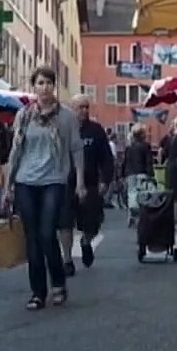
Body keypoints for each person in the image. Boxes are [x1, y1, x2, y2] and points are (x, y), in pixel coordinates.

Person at [5, 66, 85, 310]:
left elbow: (76, 149)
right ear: (34, 86)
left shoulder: (67, 117)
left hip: (53, 180)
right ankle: (37, 292)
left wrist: (80, 182)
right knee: (32, 237)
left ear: (54, 86)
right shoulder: (24, 115)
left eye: (49, 83)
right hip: (25, 180)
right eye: (40, 83)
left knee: (47, 233)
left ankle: (58, 284)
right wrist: (7, 185)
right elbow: (16, 150)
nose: (45, 87)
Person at [65, 94, 110, 272]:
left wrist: (105, 180)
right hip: (66, 183)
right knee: (65, 223)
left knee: (92, 223)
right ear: (72, 109)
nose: (84, 110)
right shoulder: (64, 129)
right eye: (80, 107)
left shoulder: (96, 130)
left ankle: (86, 241)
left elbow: (106, 158)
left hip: (91, 183)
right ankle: (67, 260)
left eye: (86, 107)